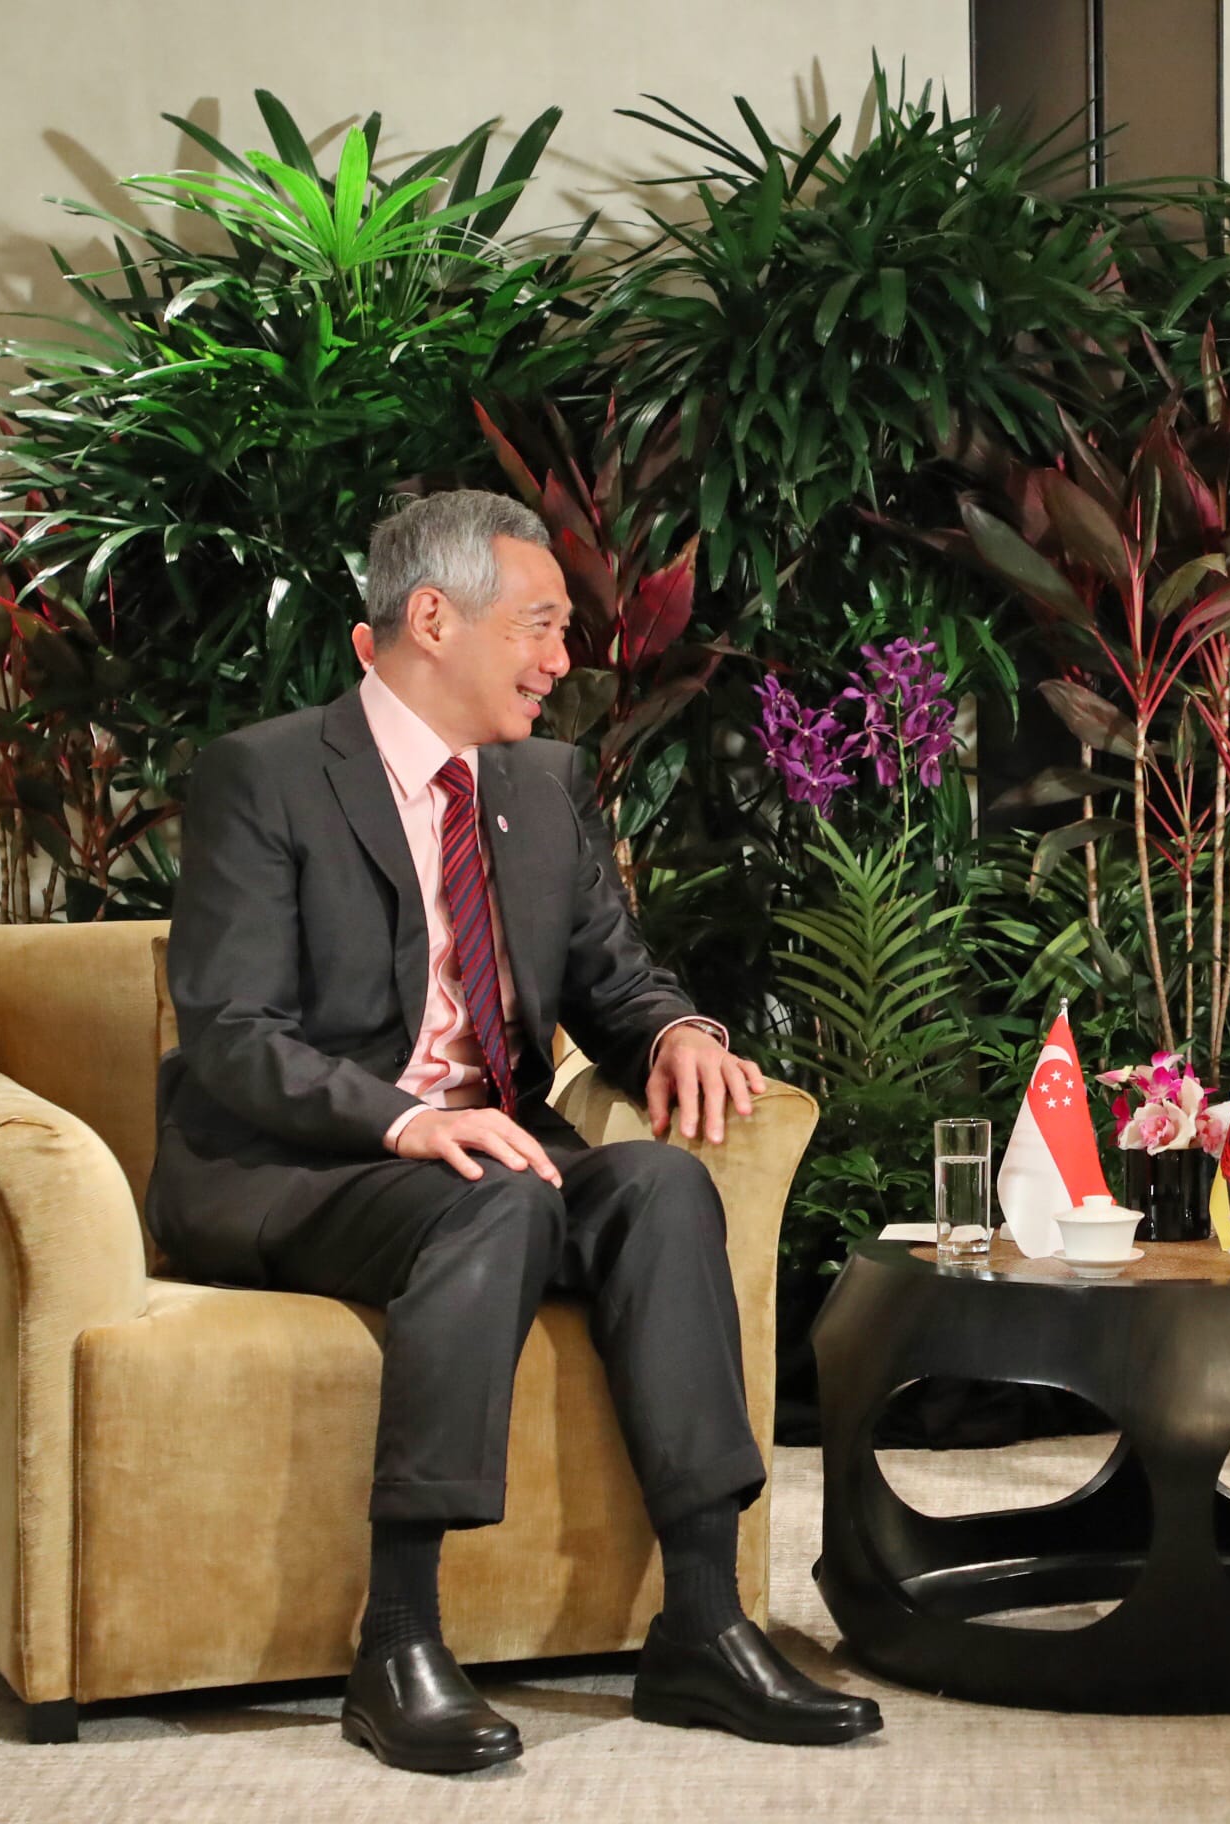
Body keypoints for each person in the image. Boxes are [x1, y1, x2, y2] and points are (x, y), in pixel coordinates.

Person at [148, 490, 883, 1773]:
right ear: (433, 618)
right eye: (539, 627)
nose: (562, 661)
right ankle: (400, 1638)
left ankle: (702, 1627)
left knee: (656, 1187)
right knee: (495, 1186)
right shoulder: (266, 774)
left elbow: (611, 973)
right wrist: (406, 1125)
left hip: (499, 1166)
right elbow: (230, 1029)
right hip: (305, 1169)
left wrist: (675, 1035)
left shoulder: (539, 784)